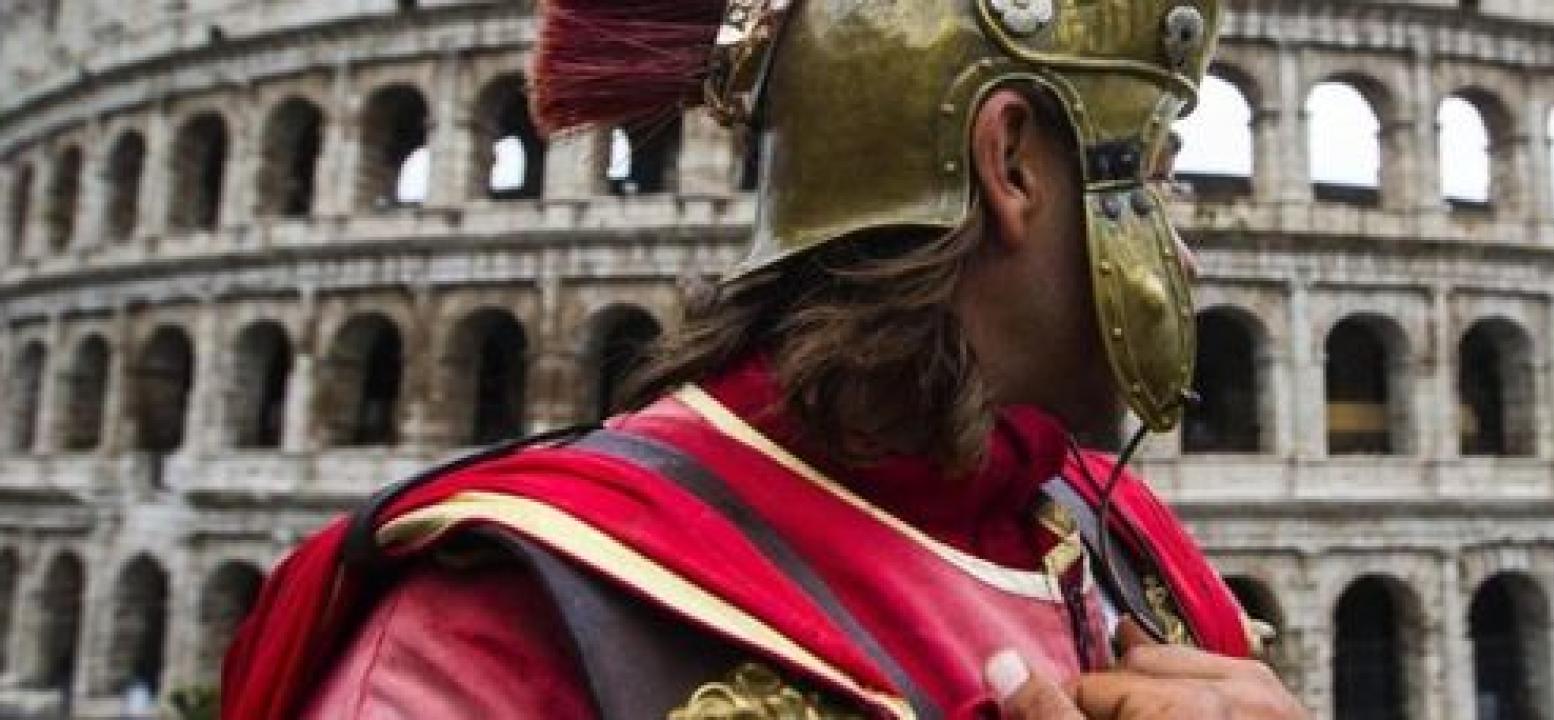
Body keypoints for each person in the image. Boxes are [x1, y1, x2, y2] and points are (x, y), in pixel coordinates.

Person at [221, 0, 1306, 717]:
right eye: (1152, 177)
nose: (1188, 239)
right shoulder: (500, 629)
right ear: (1010, 161)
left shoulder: (1126, 549)